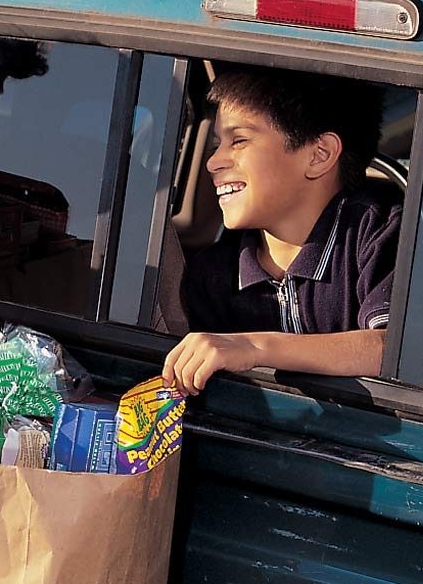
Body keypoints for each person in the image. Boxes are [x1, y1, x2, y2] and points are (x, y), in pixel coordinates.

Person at [163, 66, 401, 395]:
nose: (213, 161)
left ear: (320, 155)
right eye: (218, 143)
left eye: (239, 140)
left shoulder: (378, 232)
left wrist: (254, 348)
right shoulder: (213, 274)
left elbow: (394, 350)